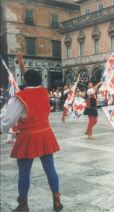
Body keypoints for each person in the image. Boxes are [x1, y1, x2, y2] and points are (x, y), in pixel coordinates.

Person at [1, 52, 63, 211]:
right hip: (45, 133)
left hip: (28, 136)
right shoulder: (43, 91)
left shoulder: (19, 97)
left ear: (25, 80)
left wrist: (3, 130)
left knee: (24, 173)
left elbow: (8, 121)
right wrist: (22, 65)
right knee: (50, 169)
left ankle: (23, 204)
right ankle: (57, 200)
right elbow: (32, 80)